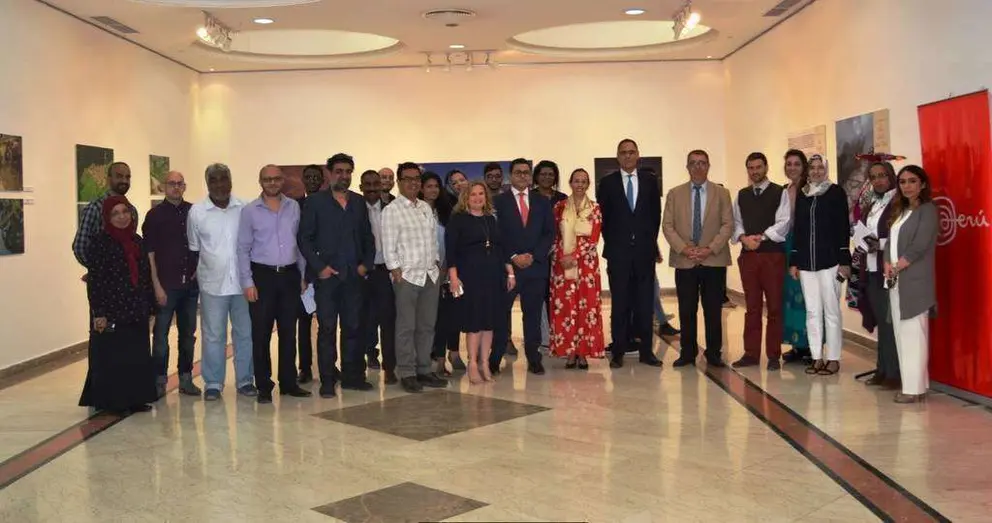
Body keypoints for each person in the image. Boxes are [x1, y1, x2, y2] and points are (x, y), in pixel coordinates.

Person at [298, 153, 376, 397]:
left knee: (353, 327)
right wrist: (320, 267)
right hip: (327, 278)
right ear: (330, 173)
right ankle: (328, 380)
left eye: (348, 171)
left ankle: (352, 376)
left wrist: (366, 265)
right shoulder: (315, 202)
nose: (344, 176)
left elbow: (367, 238)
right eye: (339, 171)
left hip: (354, 276)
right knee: (327, 330)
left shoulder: (358, 202)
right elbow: (304, 239)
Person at [237, 165, 312, 404]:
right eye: (267, 179)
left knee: (289, 333)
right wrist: (247, 282)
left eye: (276, 179)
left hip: (289, 276)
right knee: (261, 334)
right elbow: (242, 249)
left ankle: (289, 383)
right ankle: (264, 386)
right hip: (263, 277)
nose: (272, 183)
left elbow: (298, 244)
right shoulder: (250, 211)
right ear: (260, 182)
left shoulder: (293, 207)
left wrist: (301, 275)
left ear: (282, 181)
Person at [79, 195, 157, 414]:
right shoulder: (100, 243)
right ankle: (115, 402)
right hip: (113, 310)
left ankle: (136, 398)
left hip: (136, 308)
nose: (121, 217)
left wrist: (151, 307)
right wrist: (99, 313)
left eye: (125, 212)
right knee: (115, 357)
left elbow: (145, 276)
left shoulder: (137, 241)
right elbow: (95, 282)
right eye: (115, 213)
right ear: (107, 218)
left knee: (137, 355)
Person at [188, 163, 255, 400]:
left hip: (242, 284)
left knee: (245, 333)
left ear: (231, 181)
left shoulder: (245, 208)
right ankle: (214, 383)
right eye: (213, 180)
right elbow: (194, 248)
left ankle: (246, 380)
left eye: (223, 179)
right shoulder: (197, 212)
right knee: (213, 335)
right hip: (212, 285)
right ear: (207, 183)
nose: (219, 184)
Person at [382, 162, 449, 393]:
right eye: (407, 179)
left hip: (430, 274)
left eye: (416, 179)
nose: (413, 183)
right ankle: (407, 372)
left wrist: (438, 263)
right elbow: (388, 243)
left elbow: (432, 240)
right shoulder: (392, 210)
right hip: (407, 276)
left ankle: (424, 369)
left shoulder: (425, 208)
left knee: (427, 326)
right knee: (406, 327)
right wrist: (394, 268)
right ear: (399, 182)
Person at [663, 150, 733, 368]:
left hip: (713, 260)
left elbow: (727, 224)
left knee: (713, 309)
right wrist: (684, 249)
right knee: (686, 308)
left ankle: (713, 353)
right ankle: (687, 352)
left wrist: (709, 249)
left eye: (702, 163)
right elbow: (667, 225)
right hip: (685, 261)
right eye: (693, 163)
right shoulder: (675, 193)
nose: (698, 167)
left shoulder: (722, 193)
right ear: (687, 166)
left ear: (709, 166)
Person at [600, 139, 665, 369]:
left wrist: (647, 243)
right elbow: (604, 220)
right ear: (617, 157)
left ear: (638, 155)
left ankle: (646, 352)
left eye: (631, 152)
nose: (628, 156)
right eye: (623, 153)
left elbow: (654, 217)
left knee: (645, 304)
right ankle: (618, 350)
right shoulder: (607, 183)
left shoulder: (649, 181)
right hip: (618, 255)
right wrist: (618, 244)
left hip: (644, 255)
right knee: (619, 304)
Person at [447, 181, 516, 383]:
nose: (477, 198)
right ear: (465, 198)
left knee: (490, 323)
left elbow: (501, 248)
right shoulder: (458, 220)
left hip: (493, 276)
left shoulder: (490, 220)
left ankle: (485, 363)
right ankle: (472, 364)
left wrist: (510, 273)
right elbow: (451, 252)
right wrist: (453, 277)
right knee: (474, 323)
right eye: (473, 194)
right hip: (470, 277)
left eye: (481, 194)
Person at [491, 158, 555, 375]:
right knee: (500, 314)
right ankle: (495, 356)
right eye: (518, 172)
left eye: (526, 172)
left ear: (531, 176)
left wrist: (534, 255)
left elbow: (549, 233)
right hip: (508, 269)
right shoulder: (499, 202)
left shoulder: (542, 201)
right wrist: (513, 255)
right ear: (510, 175)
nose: (522, 176)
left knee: (533, 316)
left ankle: (534, 358)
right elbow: (496, 234)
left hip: (535, 268)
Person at [789, 154, 851, 376]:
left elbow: (843, 227)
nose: (816, 171)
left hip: (830, 262)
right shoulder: (804, 195)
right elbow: (798, 229)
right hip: (806, 264)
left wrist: (845, 260)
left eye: (819, 168)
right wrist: (794, 260)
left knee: (831, 310)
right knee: (812, 311)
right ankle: (816, 357)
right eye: (812, 168)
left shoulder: (835, 193)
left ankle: (833, 358)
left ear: (826, 169)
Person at [142, 171, 201, 398]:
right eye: (172, 184)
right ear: (163, 187)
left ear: (184, 187)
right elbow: (150, 253)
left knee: (188, 335)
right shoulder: (154, 215)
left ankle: (186, 378)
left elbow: (203, 244)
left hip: (190, 286)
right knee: (160, 336)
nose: (176, 188)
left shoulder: (194, 212)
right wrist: (156, 285)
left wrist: (199, 269)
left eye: (180, 184)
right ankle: (159, 381)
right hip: (166, 285)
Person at [731, 152, 791, 370]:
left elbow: (784, 221)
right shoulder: (742, 194)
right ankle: (751, 354)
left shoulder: (779, 192)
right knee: (752, 307)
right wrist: (743, 238)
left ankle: (773, 355)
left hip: (772, 256)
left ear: (766, 167)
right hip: (749, 257)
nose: (755, 171)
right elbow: (736, 221)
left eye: (758, 167)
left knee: (774, 306)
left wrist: (762, 237)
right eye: (751, 168)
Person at [884, 165, 937, 403]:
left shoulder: (928, 210)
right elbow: (889, 242)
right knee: (902, 333)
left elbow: (920, 244)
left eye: (912, 181)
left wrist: (899, 265)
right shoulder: (901, 210)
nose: (907, 186)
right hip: (896, 280)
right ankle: (916, 384)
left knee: (914, 333)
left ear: (922, 184)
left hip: (915, 279)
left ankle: (912, 390)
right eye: (902, 181)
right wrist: (887, 262)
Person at [549, 168, 605, 368]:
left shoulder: (595, 208)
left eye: (584, 181)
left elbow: (593, 238)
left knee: (586, 308)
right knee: (566, 308)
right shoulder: (560, 206)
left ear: (588, 184)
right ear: (570, 183)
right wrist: (561, 256)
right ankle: (569, 351)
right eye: (576, 181)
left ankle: (583, 352)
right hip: (562, 265)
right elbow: (554, 235)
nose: (580, 184)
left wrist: (575, 256)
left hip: (587, 265)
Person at [858, 161, 901, 388]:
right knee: (882, 324)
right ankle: (882, 369)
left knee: (890, 323)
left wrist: (880, 244)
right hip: (872, 269)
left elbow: (901, 236)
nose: (878, 180)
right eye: (873, 176)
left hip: (891, 269)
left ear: (891, 177)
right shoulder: (872, 203)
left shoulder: (898, 203)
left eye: (882, 175)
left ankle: (894, 373)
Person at [422, 171, 465, 375]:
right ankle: (437, 357)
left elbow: (453, 241)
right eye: (428, 186)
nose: (433, 190)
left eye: (436, 186)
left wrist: (449, 266)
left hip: (449, 271)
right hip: (425, 273)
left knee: (452, 314)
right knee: (435, 317)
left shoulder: (447, 210)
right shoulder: (417, 211)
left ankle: (453, 352)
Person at [358, 169, 398, 382]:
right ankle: (364, 359)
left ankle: (390, 367)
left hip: (384, 271)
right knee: (362, 319)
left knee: (388, 320)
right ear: (361, 187)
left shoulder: (391, 208)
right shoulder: (355, 210)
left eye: (376, 184)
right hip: (361, 272)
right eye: (368, 184)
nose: (373, 188)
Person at [73, 162, 138, 268]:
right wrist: (98, 270)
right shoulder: (95, 208)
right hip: (103, 281)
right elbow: (80, 247)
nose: (124, 181)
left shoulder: (132, 211)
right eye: (119, 176)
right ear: (108, 179)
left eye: (127, 177)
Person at [781, 150, 813, 365]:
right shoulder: (785, 190)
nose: (792, 167)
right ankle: (796, 345)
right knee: (790, 298)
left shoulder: (810, 191)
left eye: (797, 164)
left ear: (804, 167)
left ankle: (810, 346)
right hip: (786, 246)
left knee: (807, 297)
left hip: (803, 247)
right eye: (789, 164)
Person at [295, 164, 325, 384]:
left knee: (328, 323)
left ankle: (329, 366)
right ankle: (304, 368)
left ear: (322, 180)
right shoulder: (294, 206)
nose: (313, 180)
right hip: (302, 272)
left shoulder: (329, 203)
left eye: (317, 177)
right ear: (303, 180)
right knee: (303, 324)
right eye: (309, 177)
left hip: (324, 271)